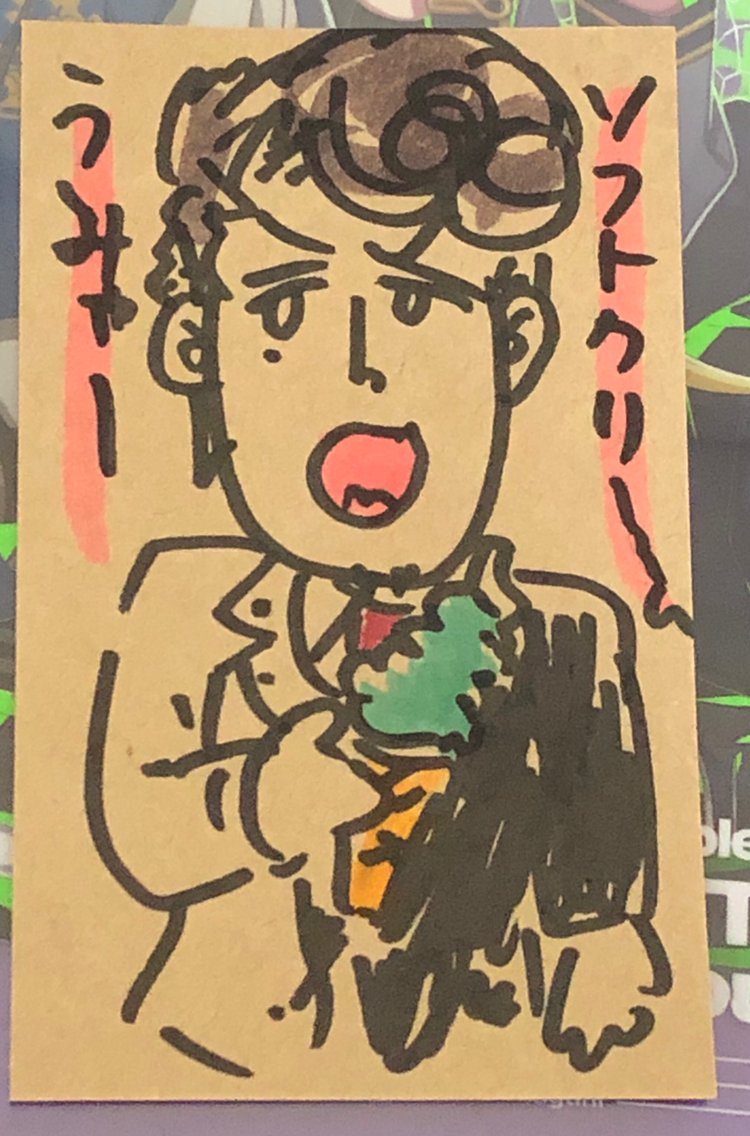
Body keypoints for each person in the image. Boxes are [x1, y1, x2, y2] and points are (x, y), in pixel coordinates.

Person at [86, 28, 672, 1080]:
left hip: (484, 1049)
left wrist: (599, 941)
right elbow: (135, 827)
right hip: (216, 1049)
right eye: (283, 304)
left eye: (414, 301)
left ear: (516, 341)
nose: (360, 372)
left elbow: (602, 823)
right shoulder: (180, 593)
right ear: (193, 346)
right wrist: (272, 796)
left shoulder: (570, 632)